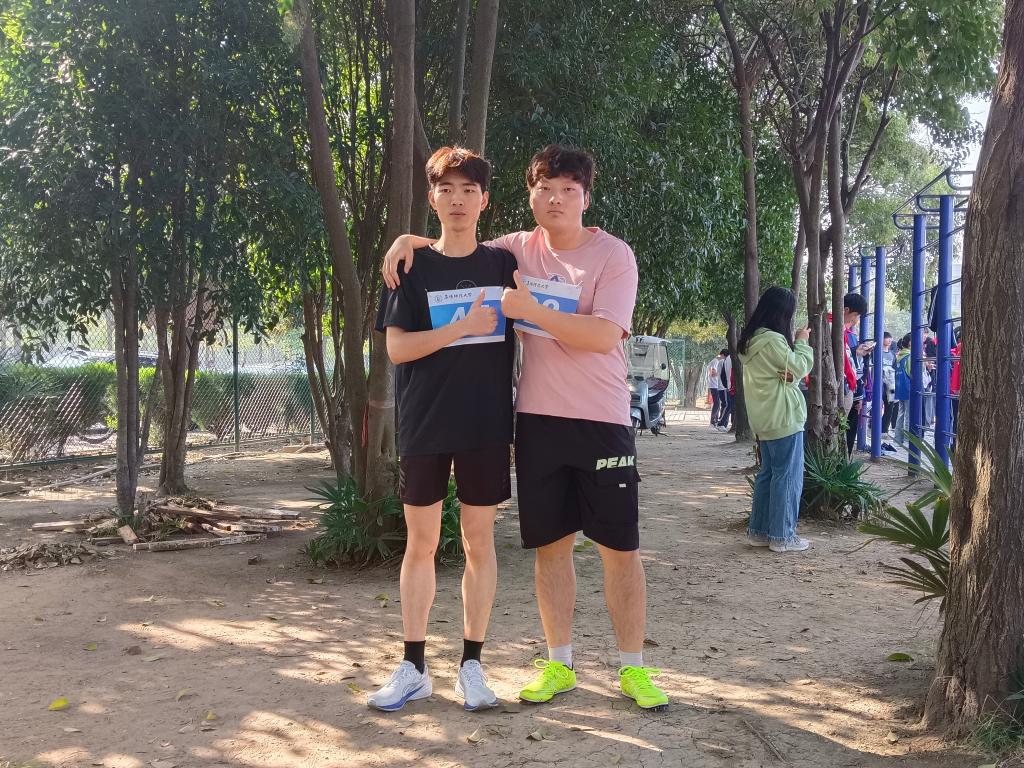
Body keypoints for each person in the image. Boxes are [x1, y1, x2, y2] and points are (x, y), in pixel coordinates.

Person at [382, 145, 668, 711]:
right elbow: (454, 239)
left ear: (585, 197)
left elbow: (603, 336)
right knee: (551, 550)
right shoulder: (515, 249)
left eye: (568, 190)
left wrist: (529, 310)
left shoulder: (613, 255)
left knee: (619, 548)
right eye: (545, 189)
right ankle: (559, 663)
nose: (556, 199)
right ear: (530, 196)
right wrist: (404, 241)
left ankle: (633, 668)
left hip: (602, 421)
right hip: (535, 421)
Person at [368, 146, 517, 712]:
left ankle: (472, 665)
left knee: (480, 543)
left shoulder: (503, 264)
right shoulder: (410, 267)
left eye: (468, 190)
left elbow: (554, 253)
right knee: (422, 544)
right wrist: (463, 326)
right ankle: (412, 667)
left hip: (485, 424)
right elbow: (398, 349)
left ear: (484, 200)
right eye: (446, 189)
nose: (457, 200)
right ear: (432, 198)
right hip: (424, 423)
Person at [738, 287, 814, 553]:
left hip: (764, 419)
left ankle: (759, 532)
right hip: (784, 417)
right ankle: (783, 536)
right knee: (787, 477)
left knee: (768, 475)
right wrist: (802, 341)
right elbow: (799, 366)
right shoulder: (773, 341)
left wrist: (790, 377)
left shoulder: (751, 341)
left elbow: (782, 374)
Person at [842, 293, 870, 456]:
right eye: (857, 315)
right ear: (846, 310)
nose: (857, 320)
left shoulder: (851, 335)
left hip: (851, 388)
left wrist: (859, 395)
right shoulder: (831, 328)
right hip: (841, 388)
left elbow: (855, 365)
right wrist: (856, 353)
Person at [879, 332, 899, 455]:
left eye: (890, 338)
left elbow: (895, 369)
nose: (889, 340)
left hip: (891, 383)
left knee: (890, 405)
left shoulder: (892, 355)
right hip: (879, 383)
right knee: (878, 405)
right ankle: (876, 427)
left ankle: (884, 430)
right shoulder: (877, 353)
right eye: (887, 338)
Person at [893, 334, 912, 448]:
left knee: (901, 413)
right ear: (910, 343)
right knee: (909, 415)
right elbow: (911, 373)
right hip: (909, 387)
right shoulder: (909, 356)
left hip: (900, 388)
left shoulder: (899, 355)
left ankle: (898, 438)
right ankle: (908, 440)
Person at [716, 349, 734, 431]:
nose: (720, 357)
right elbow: (724, 374)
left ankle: (724, 423)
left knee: (728, 405)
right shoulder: (726, 360)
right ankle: (721, 423)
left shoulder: (726, 360)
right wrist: (726, 385)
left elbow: (723, 374)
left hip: (727, 386)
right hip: (727, 386)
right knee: (727, 405)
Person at [708, 351, 726, 428]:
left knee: (718, 403)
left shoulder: (715, 361)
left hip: (715, 385)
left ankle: (715, 420)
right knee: (717, 403)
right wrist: (722, 373)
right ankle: (712, 421)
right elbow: (712, 374)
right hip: (714, 385)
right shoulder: (715, 362)